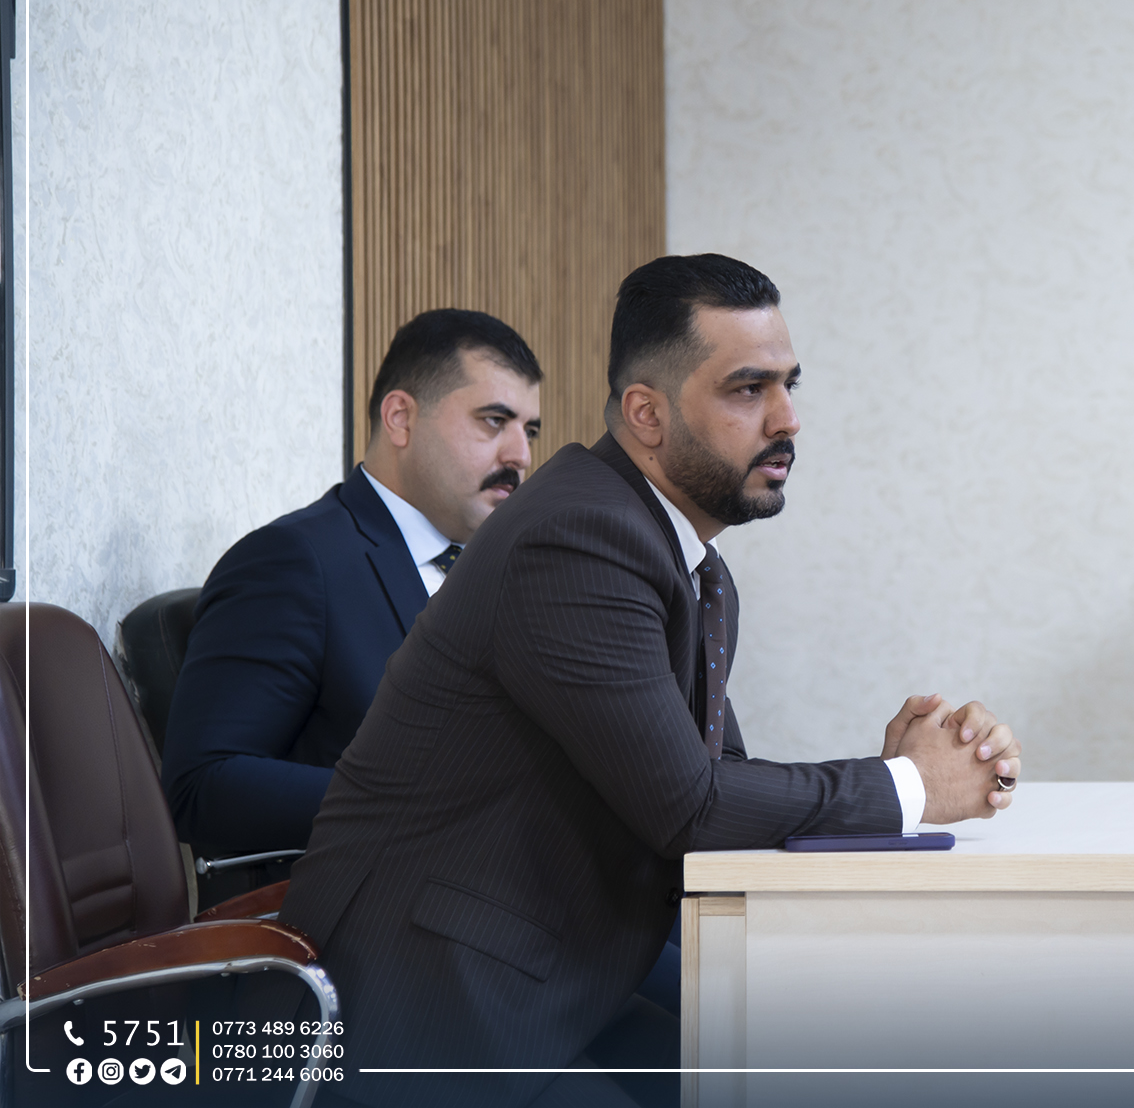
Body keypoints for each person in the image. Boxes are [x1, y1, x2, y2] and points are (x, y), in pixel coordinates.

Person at [280, 255, 1021, 1108]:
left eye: (788, 385)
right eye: (748, 389)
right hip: (426, 1003)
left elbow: (715, 780)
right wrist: (910, 787)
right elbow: (689, 808)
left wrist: (895, 775)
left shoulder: (683, 560)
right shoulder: (579, 539)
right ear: (647, 414)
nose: (788, 419)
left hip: (548, 972)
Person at [162, 310, 543, 861]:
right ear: (400, 418)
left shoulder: (504, 571)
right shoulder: (293, 562)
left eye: (529, 430)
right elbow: (201, 787)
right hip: (379, 899)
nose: (521, 456)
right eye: (494, 421)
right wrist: (427, 804)